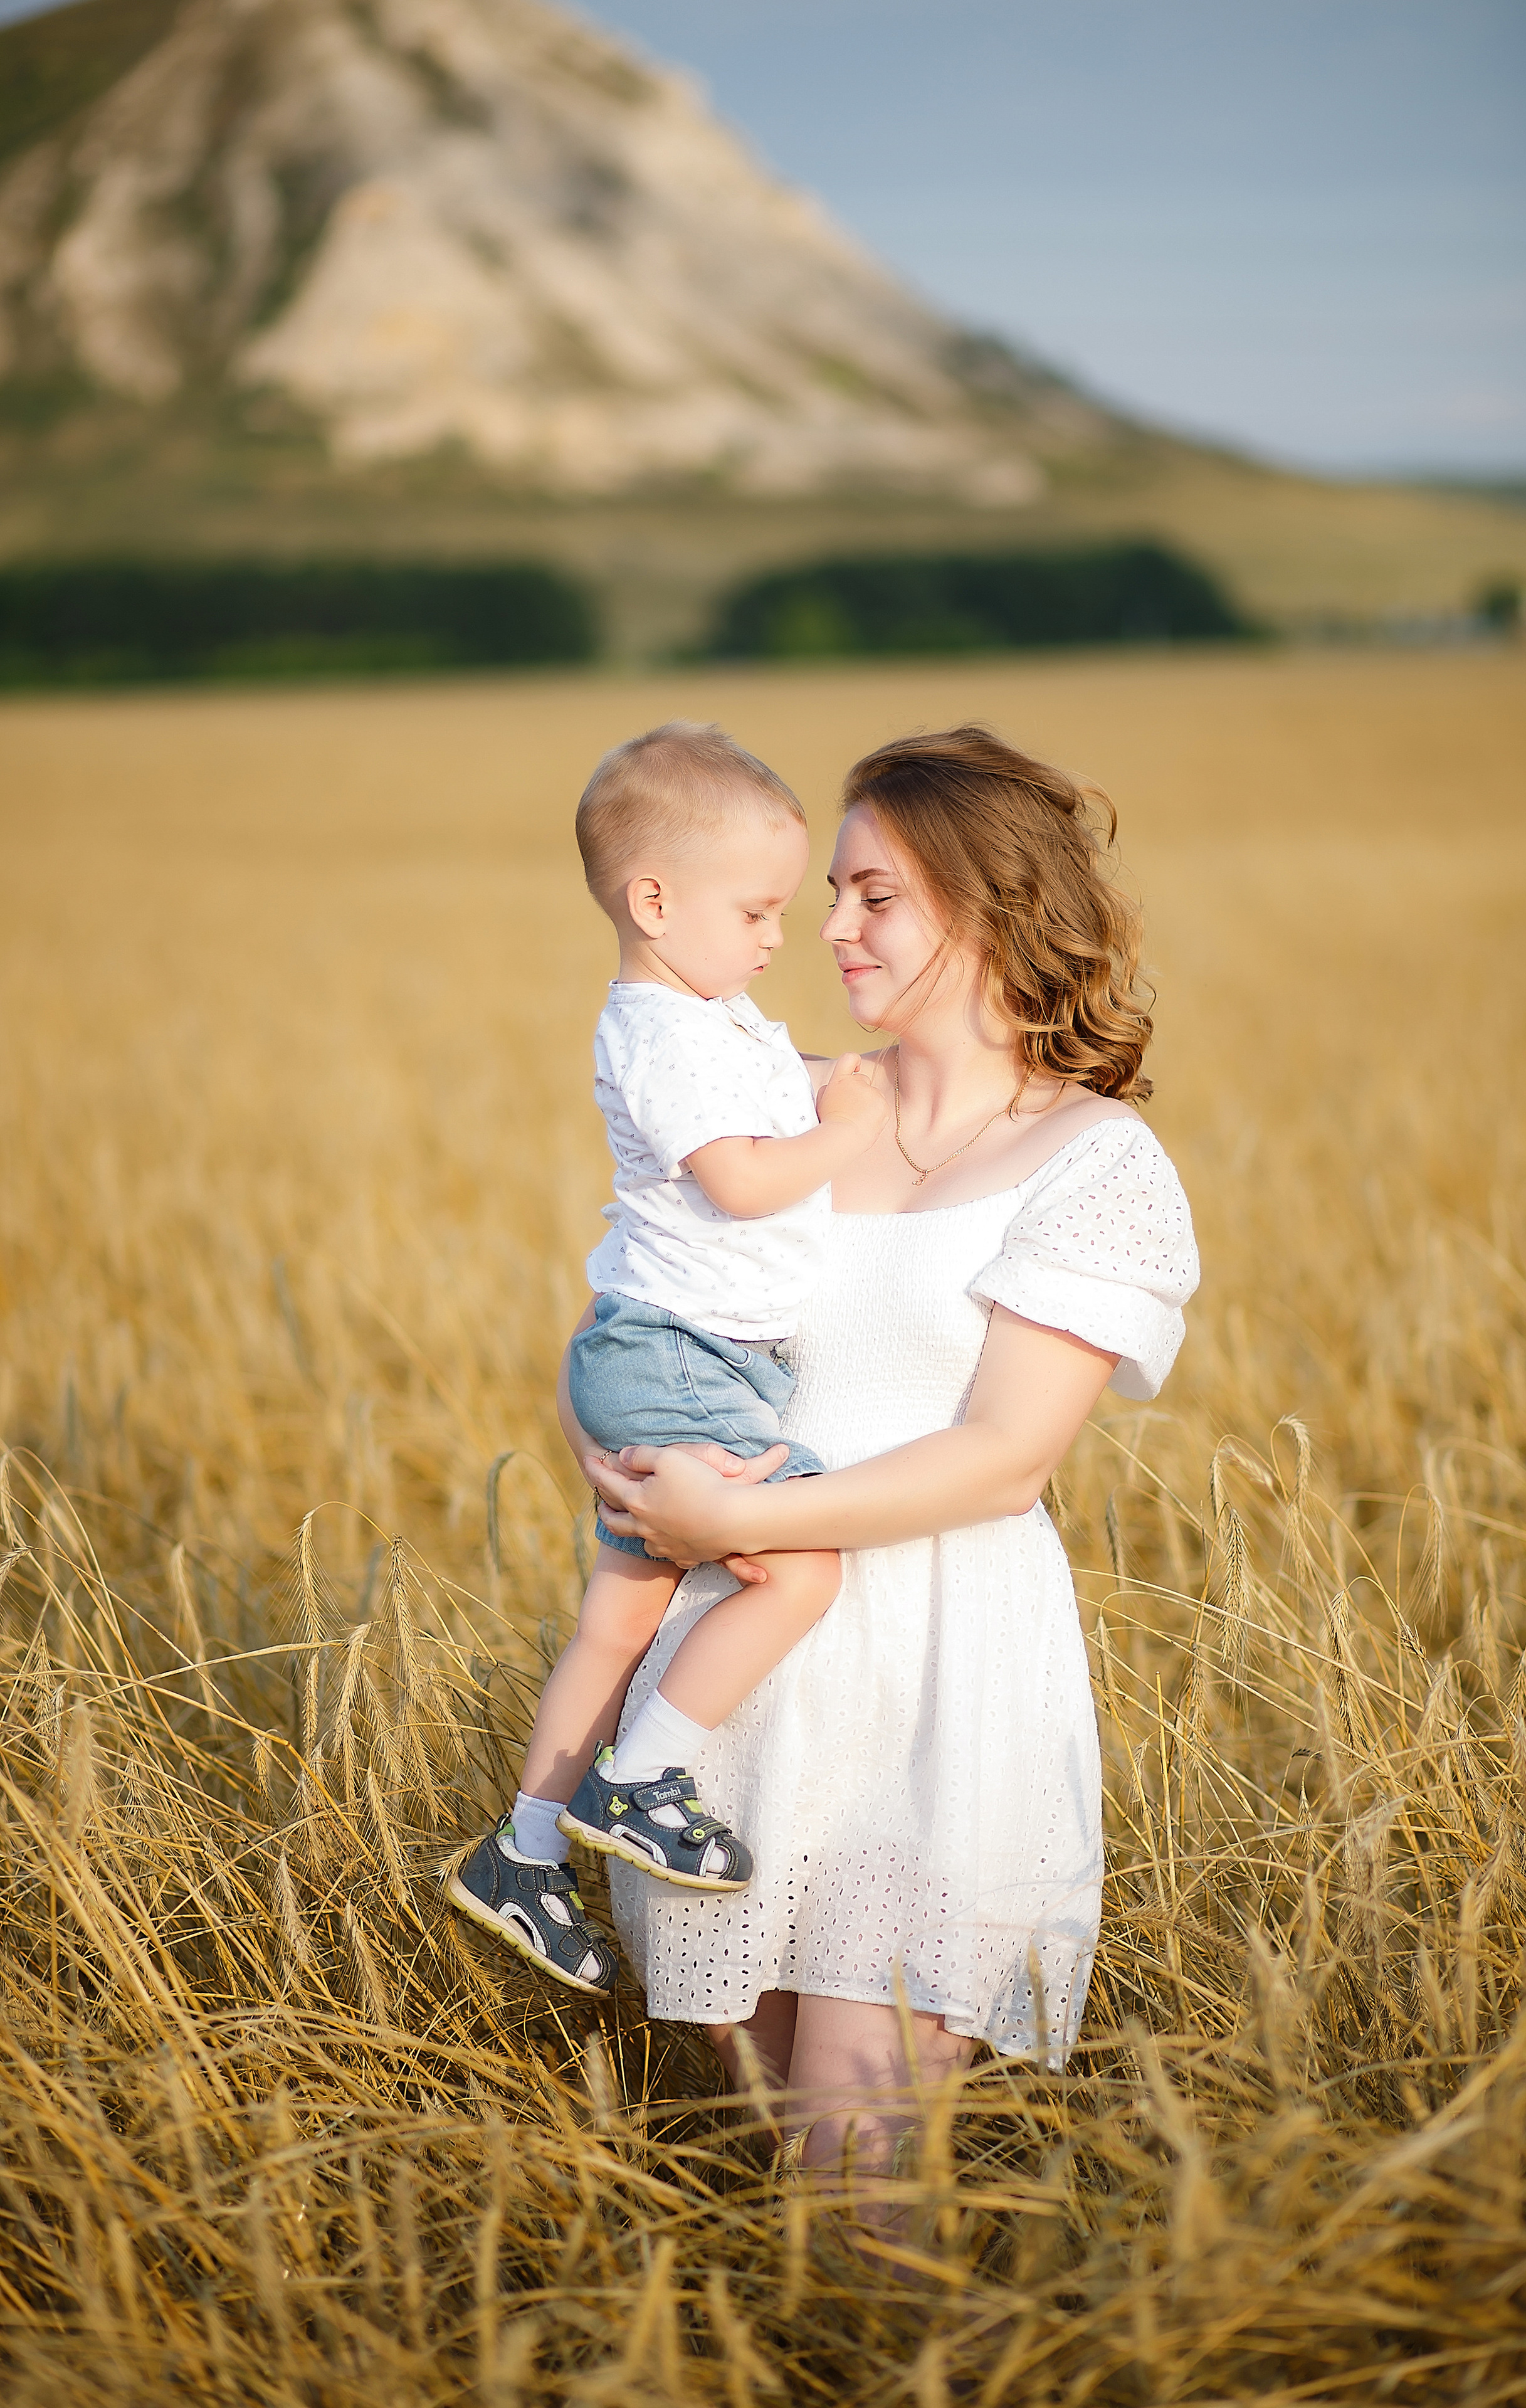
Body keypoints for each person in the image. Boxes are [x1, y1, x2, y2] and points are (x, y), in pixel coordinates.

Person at [580, 724, 1200, 2172]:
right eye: (832, 891)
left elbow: (1001, 1462)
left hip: (936, 1684)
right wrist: (631, 1474)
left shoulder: (1093, 1159)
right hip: (734, 1680)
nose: (827, 925)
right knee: (762, 2167)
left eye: (874, 895)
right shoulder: (781, 1109)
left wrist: (719, 1524)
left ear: (985, 910)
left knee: (863, 2172)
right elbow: (635, 1320)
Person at [450, 723, 887, 1996]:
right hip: (680, 1358)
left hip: (664, 1353)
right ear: (652, 901)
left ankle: (525, 1853)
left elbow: (775, 1082)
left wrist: (842, 1078)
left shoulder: (714, 1016)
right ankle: (642, 1777)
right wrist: (846, 1130)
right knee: (799, 1566)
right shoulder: (657, 1032)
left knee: (619, 1618)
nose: (777, 934)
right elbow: (743, 1179)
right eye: (754, 908)